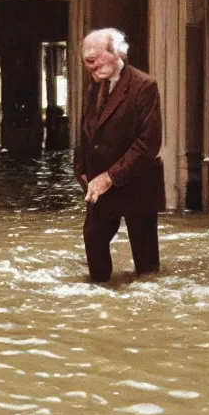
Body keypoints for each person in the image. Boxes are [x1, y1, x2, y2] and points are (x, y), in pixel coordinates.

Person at [73, 28, 166, 283]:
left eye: (93, 60)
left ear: (116, 53)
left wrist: (109, 177)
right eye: (85, 62)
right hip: (99, 187)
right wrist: (80, 168)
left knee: (146, 271)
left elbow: (149, 144)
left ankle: (147, 316)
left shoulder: (144, 86)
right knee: (93, 242)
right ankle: (99, 307)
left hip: (137, 185)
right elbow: (87, 132)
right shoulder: (93, 86)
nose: (89, 67)